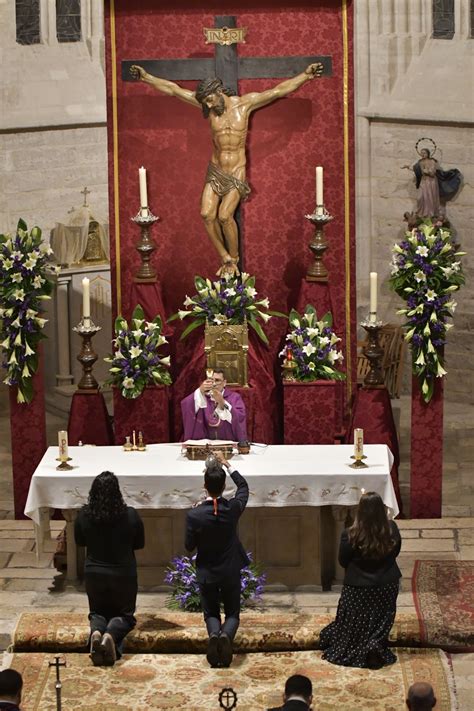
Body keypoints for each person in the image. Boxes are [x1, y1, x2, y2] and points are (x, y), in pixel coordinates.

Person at [130, 62, 323, 275]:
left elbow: (276, 91)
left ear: (219, 91)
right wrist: (146, 77)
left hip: (236, 171)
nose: (209, 106)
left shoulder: (244, 104)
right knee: (205, 214)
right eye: (205, 103)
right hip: (216, 169)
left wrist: (305, 76)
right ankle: (224, 256)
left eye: (211, 99)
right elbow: (174, 90)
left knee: (224, 216)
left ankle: (234, 259)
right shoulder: (209, 108)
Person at [319, 491, 401, 668]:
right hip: (386, 585)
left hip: (358, 586)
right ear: (381, 509)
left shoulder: (349, 534)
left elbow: (343, 561)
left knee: (353, 617)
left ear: (360, 511)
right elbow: (395, 553)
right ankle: (374, 643)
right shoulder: (392, 529)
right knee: (381, 615)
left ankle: (357, 645)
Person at [185, 451, 249, 668]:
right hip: (230, 569)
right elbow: (244, 488)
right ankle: (226, 637)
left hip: (207, 571)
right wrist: (227, 464)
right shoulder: (232, 509)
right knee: (232, 612)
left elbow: (189, 546)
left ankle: (214, 634)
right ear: (223, 487)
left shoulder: (194, 515)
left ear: (205, 485)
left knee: (211, 612)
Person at [74, 471, 145, 666]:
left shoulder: (84, 514)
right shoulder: (130, 514)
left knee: (97, 613)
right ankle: (110, 637)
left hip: (94, 572)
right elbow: (140, 543)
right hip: (123, 573)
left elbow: (79, 541)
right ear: (117, 492)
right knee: (125, 616)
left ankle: (97, 633)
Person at [181, 368, 247, 442]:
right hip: (205, 446)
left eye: (217, 380)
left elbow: (239, 418)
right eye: (211, 380)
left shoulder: (234, 397)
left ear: (224, 383)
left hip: (227, 443)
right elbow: (186, 406)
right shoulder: (201, 397)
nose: (214, 384)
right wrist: (200, 391)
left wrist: (222, 402)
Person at [402, 147, 462, 219]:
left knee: (430, 198)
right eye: (421, 153)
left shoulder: (432, 161)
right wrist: (407, 167)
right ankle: (421, 213)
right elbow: (415, 169)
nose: (423, 154)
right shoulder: (420, 162)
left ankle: (430, 215)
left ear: (428, 154)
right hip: (423, 181)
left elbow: (433, 172)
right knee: (420, 198)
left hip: (431, 182)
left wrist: (425, 171)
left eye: (424, 153)